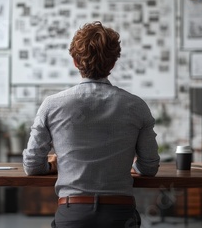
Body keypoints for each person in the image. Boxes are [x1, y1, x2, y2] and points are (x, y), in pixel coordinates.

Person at [23, 21, 160, 228]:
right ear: (113, 64)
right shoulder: (136, 106)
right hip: (120, 215)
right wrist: (127, 165)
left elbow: (32, 166)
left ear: (75, 62)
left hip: (72, 215)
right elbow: (149, 167)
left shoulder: (52, 105)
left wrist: (54, 164)